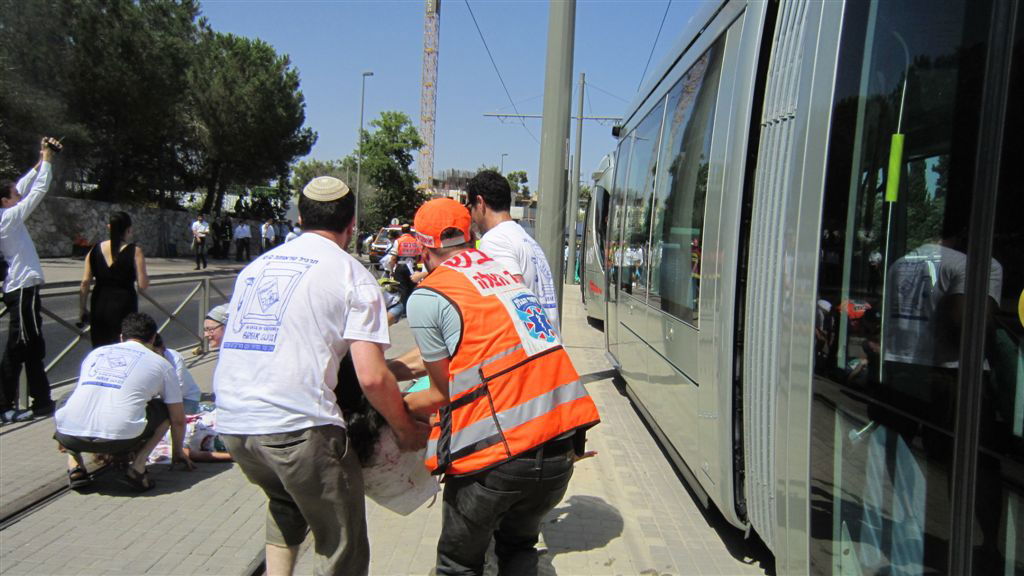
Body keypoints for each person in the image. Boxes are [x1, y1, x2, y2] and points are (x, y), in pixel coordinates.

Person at [214, 176, 428, 576]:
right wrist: (403, 429)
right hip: (300, 429)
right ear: (351, 226)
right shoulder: (352, 275)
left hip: (234, 424)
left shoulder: (255, 268)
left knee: (286, 503)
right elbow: (371, 377)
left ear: (299, 218)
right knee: (341, 547)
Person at [404, 198, 600, 576]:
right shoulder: (501, 276)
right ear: (470, 236)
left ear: (423, 246)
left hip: (496, 462)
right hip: (559, 450)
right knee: (518, 549)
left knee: (457, 565)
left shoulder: (430, 294)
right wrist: (392, 367)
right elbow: (466, 342)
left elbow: (440, 393)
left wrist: (393, 404)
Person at [54, 313, 195, 490]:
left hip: (69, 436)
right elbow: (178, 419)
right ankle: (138, 467)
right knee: (166, 408)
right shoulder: (162, 365)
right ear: (152, 338)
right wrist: (177, 452)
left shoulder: (96, 353)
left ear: (121, 337)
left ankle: (75, 465)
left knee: (66, 398)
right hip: (121, 439)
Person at [1, 137, 61, 423]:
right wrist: (48, 163)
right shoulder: (6, 219)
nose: (18, 195)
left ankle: (41, 401)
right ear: (5, 200)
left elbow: (24, 185)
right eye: (13, 194)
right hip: (22, 289)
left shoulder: (5, 213)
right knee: (20, 348)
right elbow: (37, 190)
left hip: (24, 288)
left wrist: (42, 156)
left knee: (30, 346)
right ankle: (5, 405)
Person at [465, 170, 561, 330]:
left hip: (527, 351)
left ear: (480, 203)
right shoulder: (526, 239)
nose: (472, 216)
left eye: (470, 207)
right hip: (549, 346)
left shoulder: (495, 240)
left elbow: (512, 300)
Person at [79, 211, 150, 348]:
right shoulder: (135, 251)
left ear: (109, 227)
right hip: (124, 305)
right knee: (123, 346)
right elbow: (142, 284)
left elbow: (85, 282)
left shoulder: (94, 250)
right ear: (129, 229)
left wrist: (82, 308)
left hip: (99, 304)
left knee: (101, 346)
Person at [153, 334, 201, 415]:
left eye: (156, 353)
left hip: (186, 397)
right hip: (163, 397)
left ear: (163, 348)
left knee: (179, 421)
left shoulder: (175, 358)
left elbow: (177, 387)